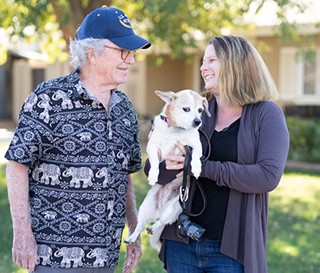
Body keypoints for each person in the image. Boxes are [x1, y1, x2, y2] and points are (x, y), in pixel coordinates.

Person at [5, 6, 151, 273]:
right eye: (122, 51)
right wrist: (22, 234)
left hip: (107, 259)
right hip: (54, 259)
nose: (130, 60)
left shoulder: (124, 108)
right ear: (92, 53)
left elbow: (125, 175)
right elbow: (17, 164)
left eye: (131, 53)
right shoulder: (48, 98)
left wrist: (134, 231)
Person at [148, 35, 289, 273]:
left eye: (211, 60)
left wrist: (201, 166)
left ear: (236, 64)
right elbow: (155, 173)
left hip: (230, 250)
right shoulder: (193, 113)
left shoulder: (266, 114)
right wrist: (163, 160)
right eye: (203, 61)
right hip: (181, 242)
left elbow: (267, 176)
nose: (203, 68)